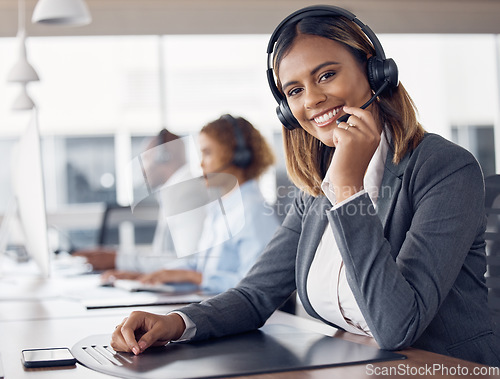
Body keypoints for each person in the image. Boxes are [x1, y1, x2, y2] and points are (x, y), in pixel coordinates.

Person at [110, 5, 500, 366]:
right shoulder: (315, 187)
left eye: (326, 75)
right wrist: (176, 322)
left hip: (441, 368)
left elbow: (397, 325)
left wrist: (348, 187)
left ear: (375, 71)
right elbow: (255, 294)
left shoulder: (444, 168)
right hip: (352, 363)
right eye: (294, 90)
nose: (312, 99)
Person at [101, 114, 279, 294]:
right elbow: (197, 264)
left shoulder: (253, 211)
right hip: (211, 303)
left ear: (238, 156)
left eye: (207, 153)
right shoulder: (220, 208)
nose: (201, 164)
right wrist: (147, 276)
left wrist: (197, 278)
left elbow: (259, 284)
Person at [73, 128, 205, 272]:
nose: (143, 170)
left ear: (164, 156)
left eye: (146, 159)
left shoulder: (187, 194)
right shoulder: (176, 191)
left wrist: (119, 260)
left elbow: (190, 263)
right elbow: (165, 255)